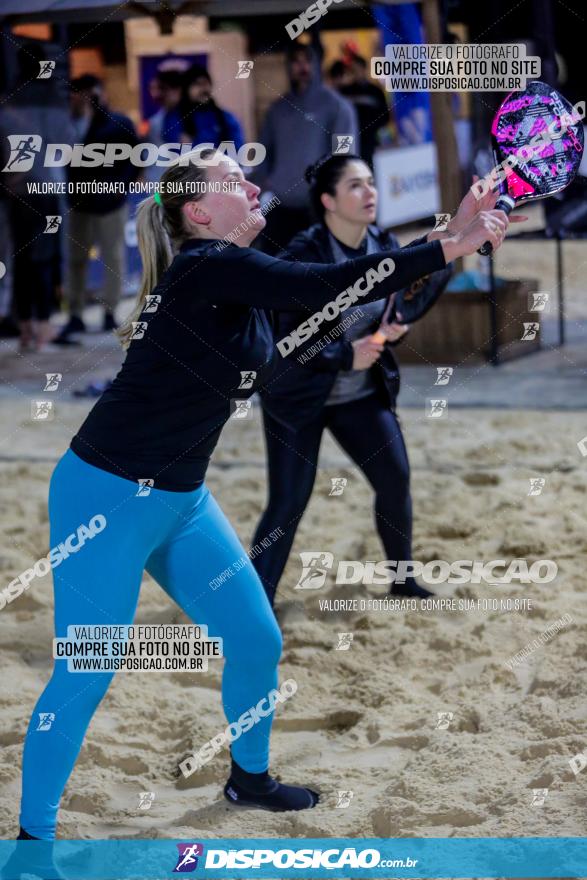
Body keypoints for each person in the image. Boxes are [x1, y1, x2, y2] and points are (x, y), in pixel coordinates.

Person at [15, 145, 509, 843]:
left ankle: (247, 779)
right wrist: (450, 244)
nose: (251, 185)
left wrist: (446, 240)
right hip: (104, 498)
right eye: (232, 181)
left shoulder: (236, 282)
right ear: (198, 211)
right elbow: (332, 283)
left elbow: (297, 338)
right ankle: (33, 839)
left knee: (254, 638)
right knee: (87, 671)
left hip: (181, 501)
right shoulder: (206, 266)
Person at [252, 153, 527, 607]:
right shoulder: (305, 254)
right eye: (356, 186)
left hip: (358, 394)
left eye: (371, 183)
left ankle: (402, 580)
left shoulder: (379, 239)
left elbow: (418, 266)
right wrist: (346, 354)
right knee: (288, 503)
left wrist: (464, 230)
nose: (370, 193)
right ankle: (257, 603)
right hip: (298, 396)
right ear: (328, 201)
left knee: (395, 478)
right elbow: (284, 342)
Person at [54, 75, 139, 345]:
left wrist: (122, 186)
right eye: (78, 94)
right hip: (79, 202)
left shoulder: (119, 123)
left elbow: (135, 157)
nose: (82, 99)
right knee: (76, 260)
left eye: (88, 94)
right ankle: (75, 313)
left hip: (110, 203)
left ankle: (109, 312)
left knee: (113, 258)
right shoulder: (69, 124)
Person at [254, 40, 359, 254]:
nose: (302, 67)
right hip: (280, 207)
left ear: (317, 64)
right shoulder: (277, 110)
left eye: (307, 61)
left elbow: (344, 157)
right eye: (295, 61)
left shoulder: (337, 107)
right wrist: (262, 189)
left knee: (318, 272)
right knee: (276, 271)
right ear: (288, 67)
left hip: (319, 206)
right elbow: (262, 153)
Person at [0, 44, 70, 352]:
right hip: (46, 191)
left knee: (22, 260)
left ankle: (26, 327)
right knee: (42, 261)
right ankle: (43, 328)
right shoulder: (53, 104)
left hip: (15, 192)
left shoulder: (9, 103)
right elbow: (70, 143)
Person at [337, 55, 390, 166]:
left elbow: (385, 116)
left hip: (370, 140)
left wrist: (374, 130)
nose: (355, 73)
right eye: (352, 70)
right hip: (348, 138)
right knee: (345, 167)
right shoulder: (344, 91)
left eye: (357, 69)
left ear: (364, 69)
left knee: (369, 169)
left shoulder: (375, 91)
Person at [178, 63, 245, 150]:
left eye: (205, 83)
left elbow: (237, 151)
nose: (203, 89)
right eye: (197, 84)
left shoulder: (226, 118)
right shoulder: (177, 119)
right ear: (186, 90)